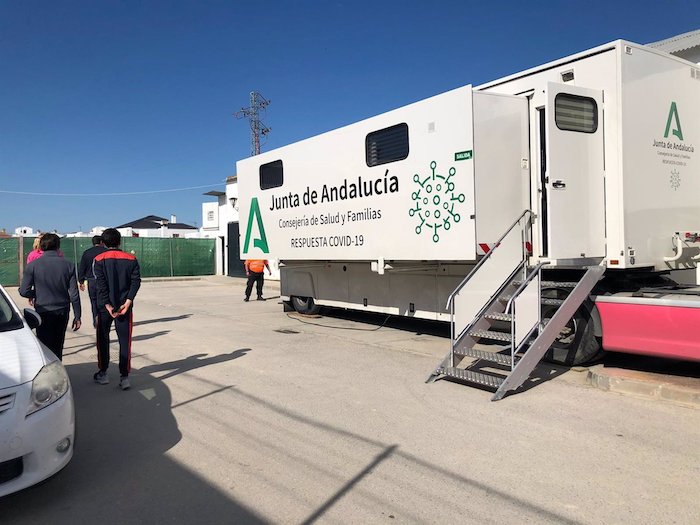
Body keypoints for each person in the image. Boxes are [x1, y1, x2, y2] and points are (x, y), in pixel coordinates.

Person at [18, 233, 81, 359]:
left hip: (43, 309)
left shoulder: (33, 265)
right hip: (62, 310)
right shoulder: (68, 265)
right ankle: (58, 371)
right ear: (58, 247)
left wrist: (37, 293)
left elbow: (23, 291)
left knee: (44, 345)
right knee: (58, 344)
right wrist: (77, 316)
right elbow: (74, 293)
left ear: (41, 247)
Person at [93, 228, 141, 390]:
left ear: (103, 243)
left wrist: (106, 305)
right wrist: (128, 301)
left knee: (103, 339)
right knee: (125, 341)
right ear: (119, 242)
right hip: (124, 307)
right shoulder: (131, 259)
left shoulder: (98, 259)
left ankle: (103, 373)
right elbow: (136, 282)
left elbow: (100, 284)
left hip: (104, 308)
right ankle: (125, 377)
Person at [77, 235, 107, 328]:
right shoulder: (106, 252)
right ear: (101, 242)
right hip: (104, 280)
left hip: (91, 281)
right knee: (105, 301)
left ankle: (95, 320)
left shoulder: (87, 253)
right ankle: (104, 320)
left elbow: (82, 268)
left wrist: (81, 281)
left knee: (94, 301)